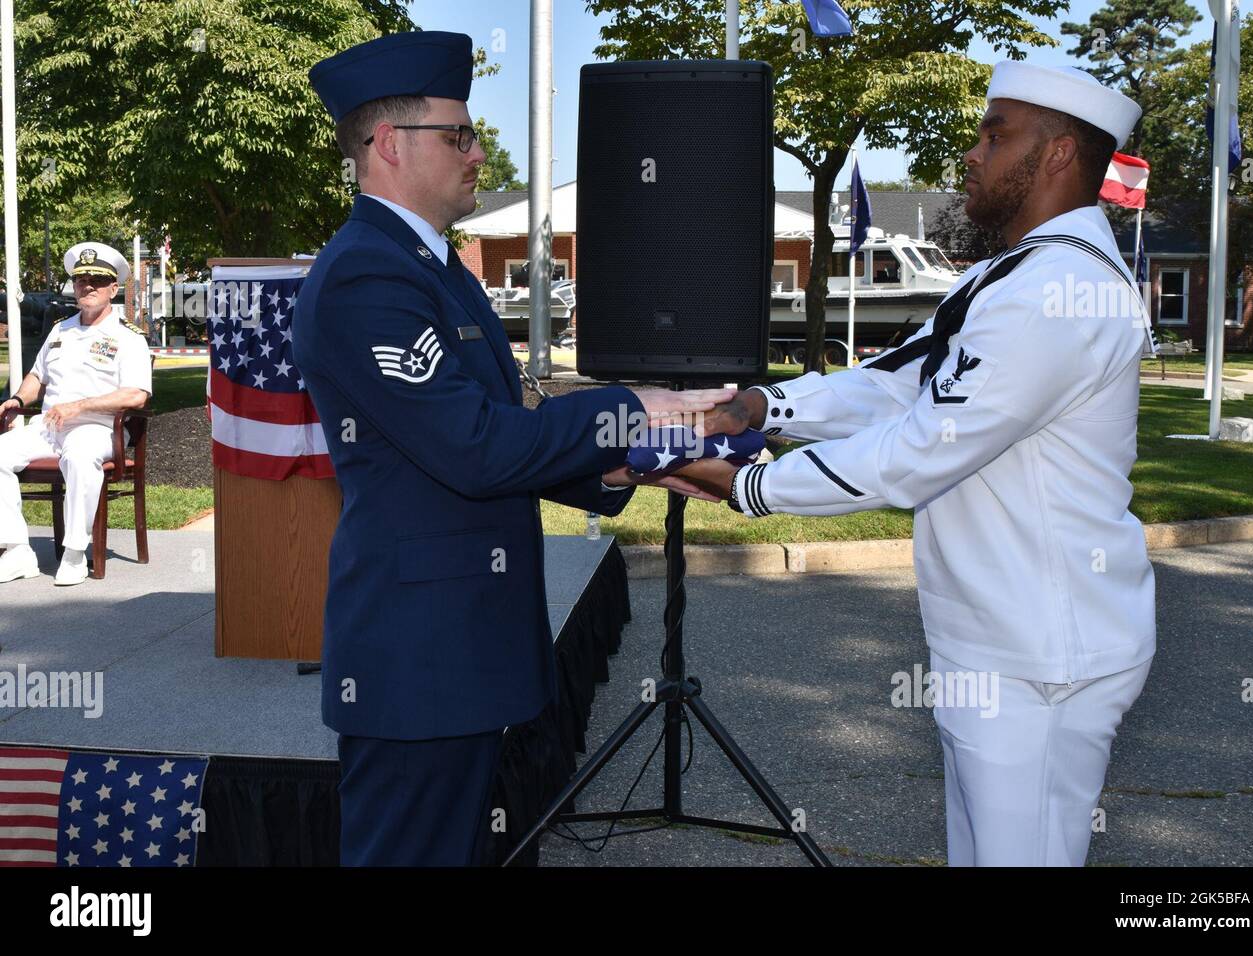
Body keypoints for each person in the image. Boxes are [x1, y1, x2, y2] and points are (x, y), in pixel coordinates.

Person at [683, 62, 1156, 866]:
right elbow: (898, 380)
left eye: (995, 135)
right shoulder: (1011, 276)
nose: (971, 154)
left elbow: (919, 451)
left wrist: (749, 486)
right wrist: (765, 409)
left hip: (1039, 650)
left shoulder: (1059, 288)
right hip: (999, 639)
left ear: (1058, 155)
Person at [294, 30, 731, 866]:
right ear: (389, 144)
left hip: (462, 648)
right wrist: (630, 409)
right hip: (418, 663)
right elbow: (475, 447)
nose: (478, 150)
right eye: (458, 134)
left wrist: (636, 459)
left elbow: (500, 427)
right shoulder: (366, 277)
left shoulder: (436, 271)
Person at [0, 242, 151, 587]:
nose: (88, 287)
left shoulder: (128, 338)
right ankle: (17, 550)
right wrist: (19, 399)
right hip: (50, 426)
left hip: (99, 428)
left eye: (97, 281)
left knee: (80, 456)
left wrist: (80, 406)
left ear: (113, 289)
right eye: (82, 280)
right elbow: (37, 376)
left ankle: (74, 553)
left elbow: (136, 395)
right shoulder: (61, 330)